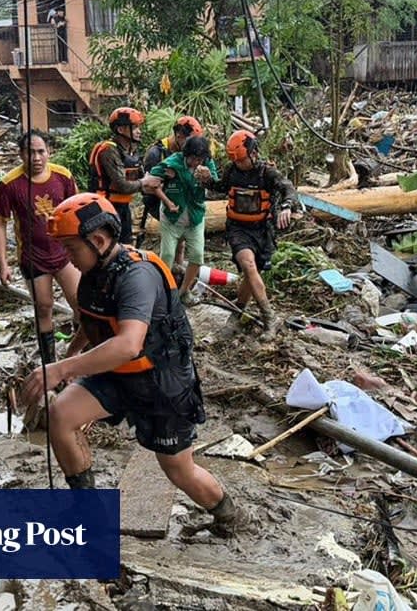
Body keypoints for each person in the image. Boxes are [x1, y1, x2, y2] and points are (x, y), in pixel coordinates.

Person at [20, 193, 253, 536]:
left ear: (98, 240)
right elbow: (93, 323)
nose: (66, 258)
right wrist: (70, 358)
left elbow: (129, 343)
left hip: (161, 382)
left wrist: (61, 370)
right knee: (62, 415)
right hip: (116, 376)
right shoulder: (93, 271)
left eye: (71, 249)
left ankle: (229, 515)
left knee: (178, 470)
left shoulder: (137, 275)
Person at [0, 130, 81, 363]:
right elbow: (0, 224)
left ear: (49, 152)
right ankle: (49, 365)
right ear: (21, 155)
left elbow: (79, 211)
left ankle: (78, 357)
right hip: (33, 258)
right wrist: (3, 264)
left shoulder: (63, 176)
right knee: (44, 307)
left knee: (82, 305)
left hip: (65, 254)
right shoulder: (9, 184)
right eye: (30, 152)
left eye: (41, 151)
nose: (36, 158)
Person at [220, 130, 299, 332]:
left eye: (243, 160)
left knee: (251, 272)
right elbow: (220, 187)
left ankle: (238, 310)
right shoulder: (232, 171)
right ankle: (269, 317)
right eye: (237, 161)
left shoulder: (267, 173)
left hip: (262, 230)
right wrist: (204, 179)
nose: (240, 165)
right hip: (238, 229)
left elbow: (288, 188)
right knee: (248, 265)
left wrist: (287, 206)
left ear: (254, 153)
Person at [141, 136, 217, 306]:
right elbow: (149, 182)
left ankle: (183, 291)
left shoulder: (208, 165)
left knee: (197, 256)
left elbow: (218, 186)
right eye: (193, 158)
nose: (196, 162)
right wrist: (166, 190)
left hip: (195, 217)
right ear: (185, 155)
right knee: (167, 255)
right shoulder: (173, 162)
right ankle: (161, 292)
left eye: (200, 159)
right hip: (172, 218)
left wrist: (208, 178)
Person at [138, 115, 204, 258]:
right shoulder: (156, 153)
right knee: (174, 237)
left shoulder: (186, 155)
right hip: (157, 201)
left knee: (181, 241)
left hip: (179, 197)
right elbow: (148, 186)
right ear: (179, 136)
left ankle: (178, 266)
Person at [88, 107, 145, 245]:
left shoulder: (130, 151)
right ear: (120, 130)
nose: (139, 131)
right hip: (106, 207)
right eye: (135, 127)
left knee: (125, 246)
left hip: (123, 207)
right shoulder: (109, 150)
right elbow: (122, 185)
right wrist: (144, 183)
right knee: (109, 247)